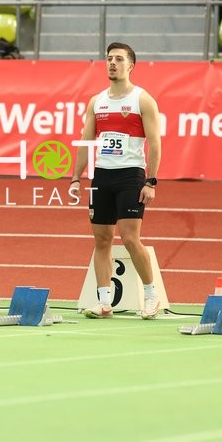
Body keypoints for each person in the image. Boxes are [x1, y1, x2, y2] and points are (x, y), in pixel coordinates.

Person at [70, 42, 162, 320]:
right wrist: (75, 178)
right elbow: (86, 141)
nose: (112, 63)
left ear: (131, 66)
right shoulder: (96, 102)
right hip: (102, 175)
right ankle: (104, 302)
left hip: (130, 175)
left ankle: (151, 296)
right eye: (109, 58)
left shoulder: (142, 100)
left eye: (119, 59)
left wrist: (151, 182)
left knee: (130, 238)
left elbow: (155, 143)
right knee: (101, 240)